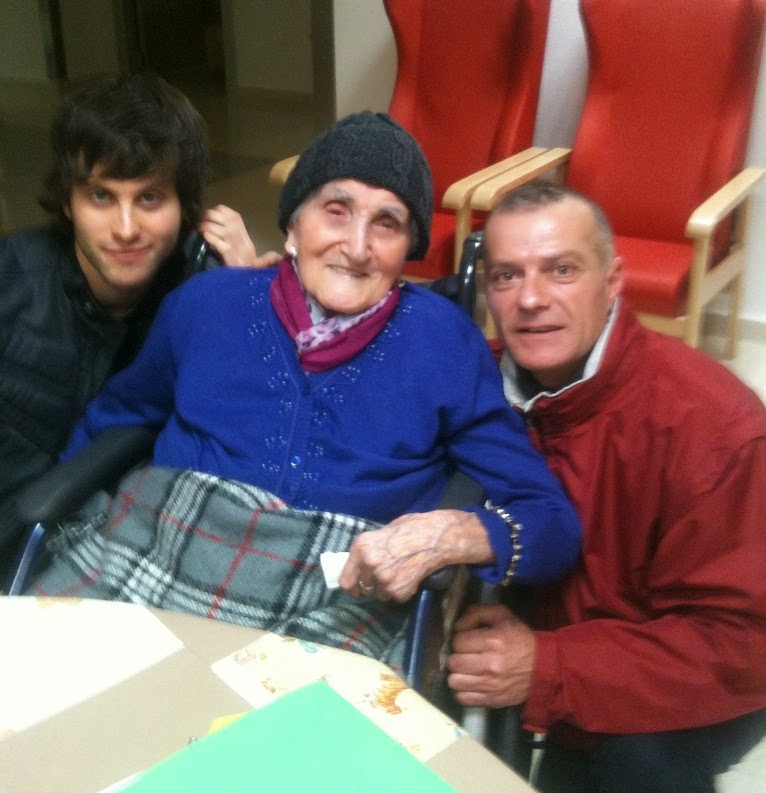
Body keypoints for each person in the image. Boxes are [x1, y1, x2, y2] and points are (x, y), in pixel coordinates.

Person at [30, 112, 581, 666]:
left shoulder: (445, 342)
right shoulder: (205, 304)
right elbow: (119, 416)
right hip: (161, 557)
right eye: (336, 211)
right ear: (292, 227)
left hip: (336, 604)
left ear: (407, 248)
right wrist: (64, 505)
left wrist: (457, 534)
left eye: (387, 224)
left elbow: (549, 522)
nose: (357, 247)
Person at [447, 183, 766, 793]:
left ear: (613, 281)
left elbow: (739, 641)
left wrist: (549, 666)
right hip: (564, 638)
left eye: (561, 270)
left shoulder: (715, 427)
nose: (531, 299)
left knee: (639, 766)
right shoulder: (476, 383)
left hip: (705, 662)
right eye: (507, 276)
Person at [0, 73, 278, 552]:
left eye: (149, 197)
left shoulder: (200, 289)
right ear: (67, 203)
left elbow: (260, 439)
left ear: (186, 206)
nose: (125, 229)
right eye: (101, 196)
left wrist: (239, 297)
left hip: (109, 544)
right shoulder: (14, 279)